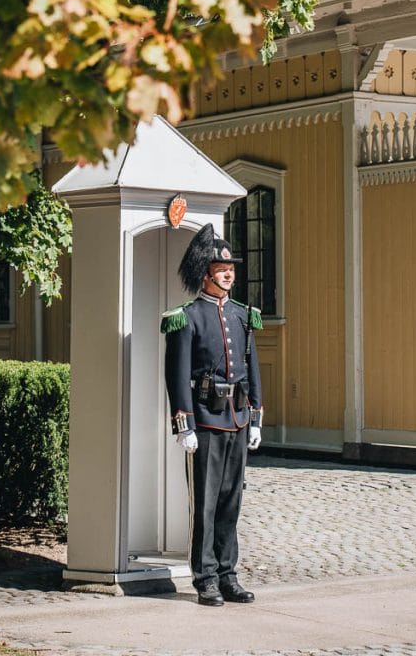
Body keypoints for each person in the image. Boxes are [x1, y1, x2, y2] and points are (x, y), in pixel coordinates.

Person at [162, 222, 263, 607]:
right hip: (204, 419)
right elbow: (176, 374)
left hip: (236, 419)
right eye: (222, 270)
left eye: (231, 269)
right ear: (205, 274)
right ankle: (204, 578)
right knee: (204, 504)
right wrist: (182, 424)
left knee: (230, 501)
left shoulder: (241, 315)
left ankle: (227, 575)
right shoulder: (186, 317)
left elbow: (252, 370)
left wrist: (254, 418)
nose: (229, 274)